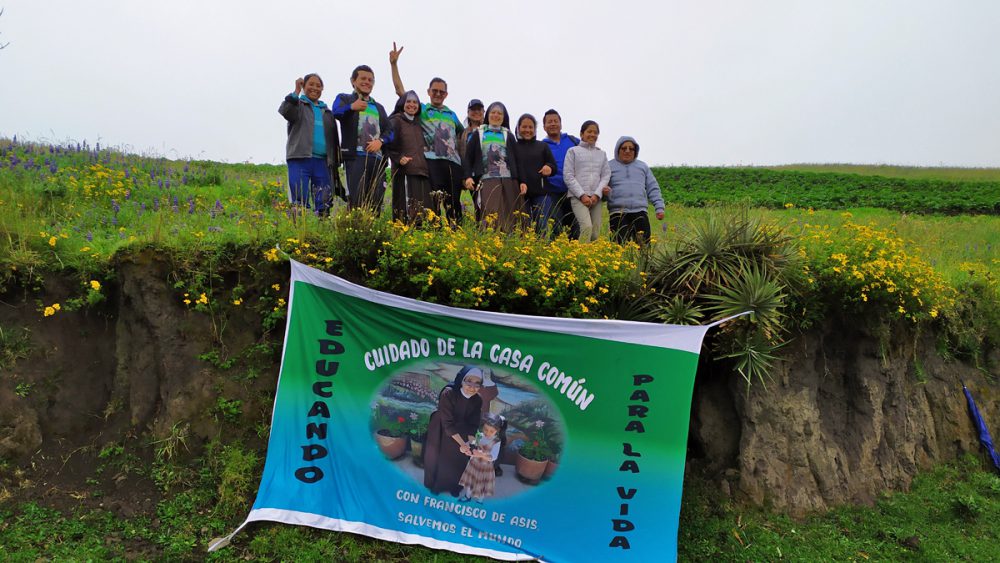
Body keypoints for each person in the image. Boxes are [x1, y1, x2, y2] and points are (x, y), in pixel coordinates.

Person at [389, 43, 467, 224]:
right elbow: (401, 92)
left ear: (446, 94)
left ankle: (457, 234)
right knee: (433, 204)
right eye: (435, 91)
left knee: (453, 203)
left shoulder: (451, 114)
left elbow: (462, 137)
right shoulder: (422, 110)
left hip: (453, 164)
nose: (438, 94)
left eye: (441, 92)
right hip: (431, 162)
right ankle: (435, 235)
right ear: (428, 92)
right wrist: (394, 65)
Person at [333, 65, 393, 214]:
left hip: (377, 160)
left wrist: (381, 141)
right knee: (356, 200)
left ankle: (375, 234)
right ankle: (355, 232)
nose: (367, 82)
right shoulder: (345, 98)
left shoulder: (378, 107)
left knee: (376, 201)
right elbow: (335, 112)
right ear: (353, 81)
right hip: (354, 158)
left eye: (370, 80)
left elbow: (390, 131)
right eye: (363, 79)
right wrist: (352, 107)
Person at [278, 73, 341, 216]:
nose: (314, 88)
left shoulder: (327, 112)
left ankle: (322, 229)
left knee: (324, 199)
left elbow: (334, 138)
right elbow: (285, 111)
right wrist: (295, 92)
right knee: (299, 199)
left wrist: (335, 159)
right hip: (300, 158)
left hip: (322, 161)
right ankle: (299, 232)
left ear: (322, 89)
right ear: (304, 86)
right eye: (311, 84)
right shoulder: (298, 105)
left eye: (318, 86)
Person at [463, 102, 527, 231]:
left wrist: (522, 181)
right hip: (487, 179)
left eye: (499, 113)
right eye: (493, 112)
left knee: (512, 215)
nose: (496, 115)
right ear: (488, 115)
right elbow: (468, 158)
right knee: (490, 214)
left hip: (509, 180)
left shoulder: (508, 135)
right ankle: (490, 243)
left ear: (504, 117)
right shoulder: (479, 134)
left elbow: (518, 159)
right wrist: (468, 177)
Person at [424, 366, 484, 496]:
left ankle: (454, 487)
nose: (472, 387)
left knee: (459, 460)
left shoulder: (477, 400)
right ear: (461, 380)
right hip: (441, 428)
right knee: (438, 458)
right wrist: (462, 444)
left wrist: (471, 445)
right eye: (469, 381)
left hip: (462, 431)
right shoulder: (448, 393)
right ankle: (436, 486)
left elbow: (473, 424)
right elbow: (447, 423)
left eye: (477, 383)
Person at [604, 136, 665, 244]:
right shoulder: (608, 166)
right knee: (619, 247)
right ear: (618, 150)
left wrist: (659, 207)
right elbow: (602, 188)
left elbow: (653, 187)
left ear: (635, 151)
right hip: (618, 213)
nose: (627, 151)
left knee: (644, 248)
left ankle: (644, 262)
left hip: (640, 212)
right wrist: (606, 194)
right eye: (624, 148)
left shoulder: (642, 166)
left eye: (631, 149)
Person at [385, 91, 433, 222]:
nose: (412, 105)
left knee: (423, 212)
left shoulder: (418, 123)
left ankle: (421, 239)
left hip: (422, 171)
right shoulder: (396, 120)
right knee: (405, 212)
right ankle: (402, 238)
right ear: (402, 103)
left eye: (415, 102)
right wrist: (398, 157)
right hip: (405, 171)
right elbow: (387, 143)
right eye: (408, 101)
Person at [563, 120, 611, 242]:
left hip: (596, 198)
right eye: (589, 131)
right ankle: (580, 259)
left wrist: (597, 194)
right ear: (582, 134)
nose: (592, 135)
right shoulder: (573, 151)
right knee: (587, 227)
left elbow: (606, 175)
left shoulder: (602, 154)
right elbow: (568, 175)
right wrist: (582, 195)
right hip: (578, 197)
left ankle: (592, 259)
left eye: (595, 133)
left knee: (595, 233)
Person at [511, 114, 557, 235]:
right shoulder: (513, 147)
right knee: (523, 226)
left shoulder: (542, 146)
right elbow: (512, 168)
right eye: (524, 127)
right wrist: (520, 182)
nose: (527, 130)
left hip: (541, 193)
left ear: (535, 129)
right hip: (520, 193)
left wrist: (549, 168)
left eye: (530, 127)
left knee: (541, 225)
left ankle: (542, 251)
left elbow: (553, 166)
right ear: (518, 128)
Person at [541, 110, 581, 239]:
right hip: (552, 192)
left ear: (561, 124)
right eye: (549, 122)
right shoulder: (542, 145)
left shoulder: (573, 141)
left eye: (555, 121)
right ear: (544, 126)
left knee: (575, 228)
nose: (553, 124)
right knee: (556, 228)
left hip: (573, 191)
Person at [457, 413, 506, 503]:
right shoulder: (479, 436)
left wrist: (482, 455)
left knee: (482, 483)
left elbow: (493, 457)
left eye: (491, 431)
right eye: (486, 429)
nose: (487, 433)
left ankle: (480, 499)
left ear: (497, 431)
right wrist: (466, 448)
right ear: (483, 426)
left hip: (485, 467)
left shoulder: (496, 441)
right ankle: (468, 496)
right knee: (470, 481)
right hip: (473, 464)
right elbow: (471, 444)